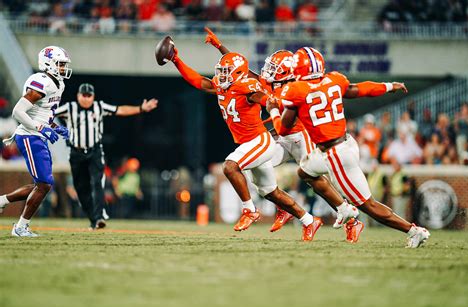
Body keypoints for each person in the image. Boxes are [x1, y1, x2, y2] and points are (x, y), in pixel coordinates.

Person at [204, 28, 361, 241]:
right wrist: (220, 47)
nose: (268, 71)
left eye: (274, 68)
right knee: (259, 170)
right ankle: (286, 209)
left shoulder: (300, 86)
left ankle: (350, 218)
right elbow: (241, 72)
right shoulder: (268, 83)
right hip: (281, 138)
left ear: (287, 72)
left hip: (301, 136)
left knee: (313, 179)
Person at [273, 46, 430, 248]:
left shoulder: (296, 90)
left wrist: (273, 111)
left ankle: (414, 231)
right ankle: (343, 208)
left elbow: (283, 129)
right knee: (305, 171)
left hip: (335, 154)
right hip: (345, 143)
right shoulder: (334, 80)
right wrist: (389, 86)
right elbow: (360, 89)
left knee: (367, 205)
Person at [169, 45, 322, 241]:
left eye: (226, 73)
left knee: (230, 166)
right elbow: (198, 81)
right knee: (270, 192)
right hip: (249, 143)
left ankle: (249, 210)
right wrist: (176, 61)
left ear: (239, 73)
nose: (222, 76)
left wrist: (273, 103)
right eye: (221, 72)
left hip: (260, 141)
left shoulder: (247, 86)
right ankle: (309, 220)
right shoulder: (223, 85)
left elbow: (265, 99)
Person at [54, 83, 157, 229]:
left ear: (93, 97)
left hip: (94, 151)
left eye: (89, 96)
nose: (86, 99)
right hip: (76, 152)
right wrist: (50, 127)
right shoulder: (69, 108)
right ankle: (93, 218)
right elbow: (49, 115)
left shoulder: (99, 107)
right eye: (83, 95)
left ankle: (99, 217)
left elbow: (120, 110)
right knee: (81, 188)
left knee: (97, 182)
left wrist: (141, 108)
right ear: (78, 96)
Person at [0, 46, 72, 237]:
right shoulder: (41, 82)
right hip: (30, 136)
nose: (64, 68)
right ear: (49, 64)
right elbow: (18, 112)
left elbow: (45, 113)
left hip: (38, 135)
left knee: (42, 184)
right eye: (61, 64)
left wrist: (55, 127)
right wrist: (41, 128)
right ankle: (20, 227)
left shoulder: (59, 84)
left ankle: (3, 201)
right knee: (45, 184)